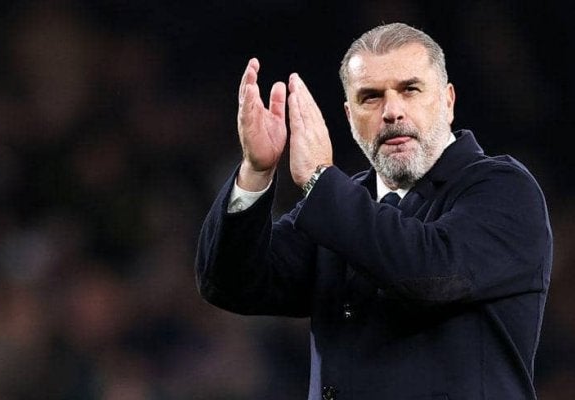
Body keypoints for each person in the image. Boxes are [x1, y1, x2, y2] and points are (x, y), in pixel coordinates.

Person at [195, 22, 553, 400]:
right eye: (371, 97)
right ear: (350, 117)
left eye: (410, 89)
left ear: (447, 101)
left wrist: (320, 180)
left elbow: (431, 274)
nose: (392, 111)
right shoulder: (338, 204)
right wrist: (256, 170)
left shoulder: (503, 188)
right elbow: (231, 284)